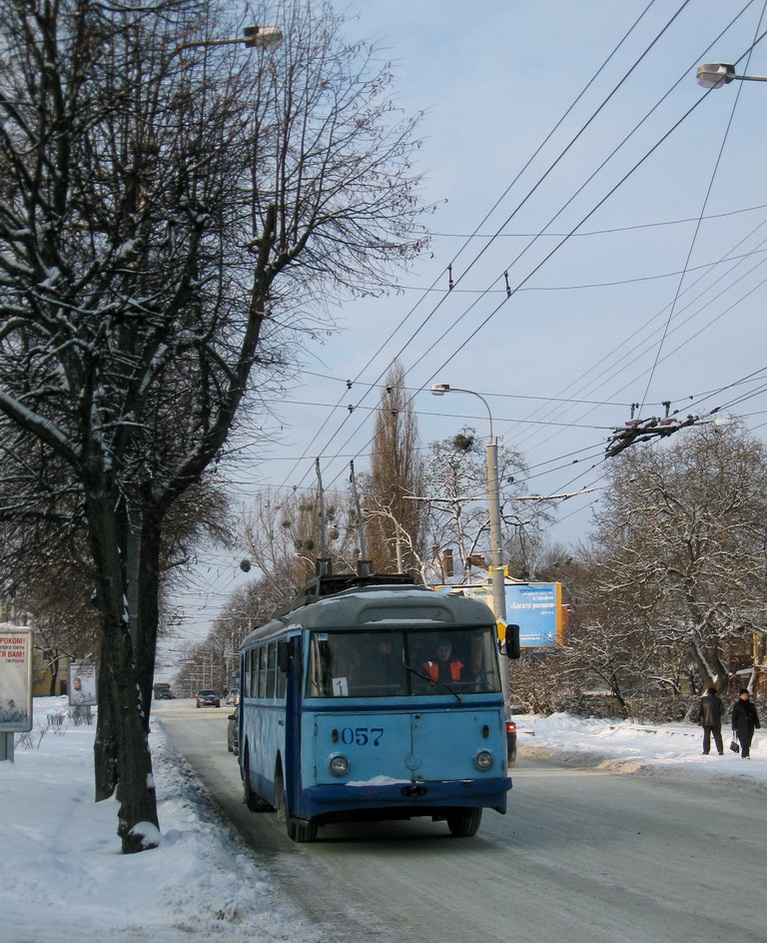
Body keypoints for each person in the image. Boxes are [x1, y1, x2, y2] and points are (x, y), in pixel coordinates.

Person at [731, 688, 761, 759]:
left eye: (746, 695)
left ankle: (745, 753)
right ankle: (745, 754)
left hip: (750, 725)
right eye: (743, 695)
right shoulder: (737, 705)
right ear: (740, 696)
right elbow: (734, 716)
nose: (745, 696)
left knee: (748, 740)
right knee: (743, 740)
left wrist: (757, 724)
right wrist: (734, 726)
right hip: (740, 725)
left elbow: (755, 715)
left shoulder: (751, 705)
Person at [695, 687, 724, 755]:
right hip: (716, 721)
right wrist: (717, 715)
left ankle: (706, 750)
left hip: (706, 721)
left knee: (706, 736)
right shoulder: (718, 700)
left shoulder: (703, 700)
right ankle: (720, 750)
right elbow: (722, 711)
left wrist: (698, 719)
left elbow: (700, 710)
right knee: (717, 736)